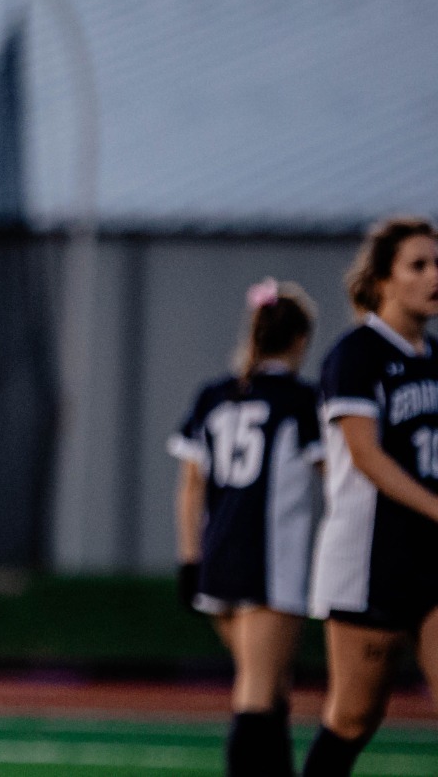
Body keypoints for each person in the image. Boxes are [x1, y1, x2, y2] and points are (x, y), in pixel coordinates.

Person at [301, 216, 438, 777]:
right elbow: (366, 456)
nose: (435, 275)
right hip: (370, 561)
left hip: (432, 556)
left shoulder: (435, 357)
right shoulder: (356, 354)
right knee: (355, 717)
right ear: (383, 279)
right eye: (419, 265)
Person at [169, 278, 320, 777]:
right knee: (256, 693)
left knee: (270, 689)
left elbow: (190, 489)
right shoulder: (300, 402)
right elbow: (338, 478)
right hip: (270, 561)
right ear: (300, 340)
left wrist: (190, 560)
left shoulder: (214, 396)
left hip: (218, 558)